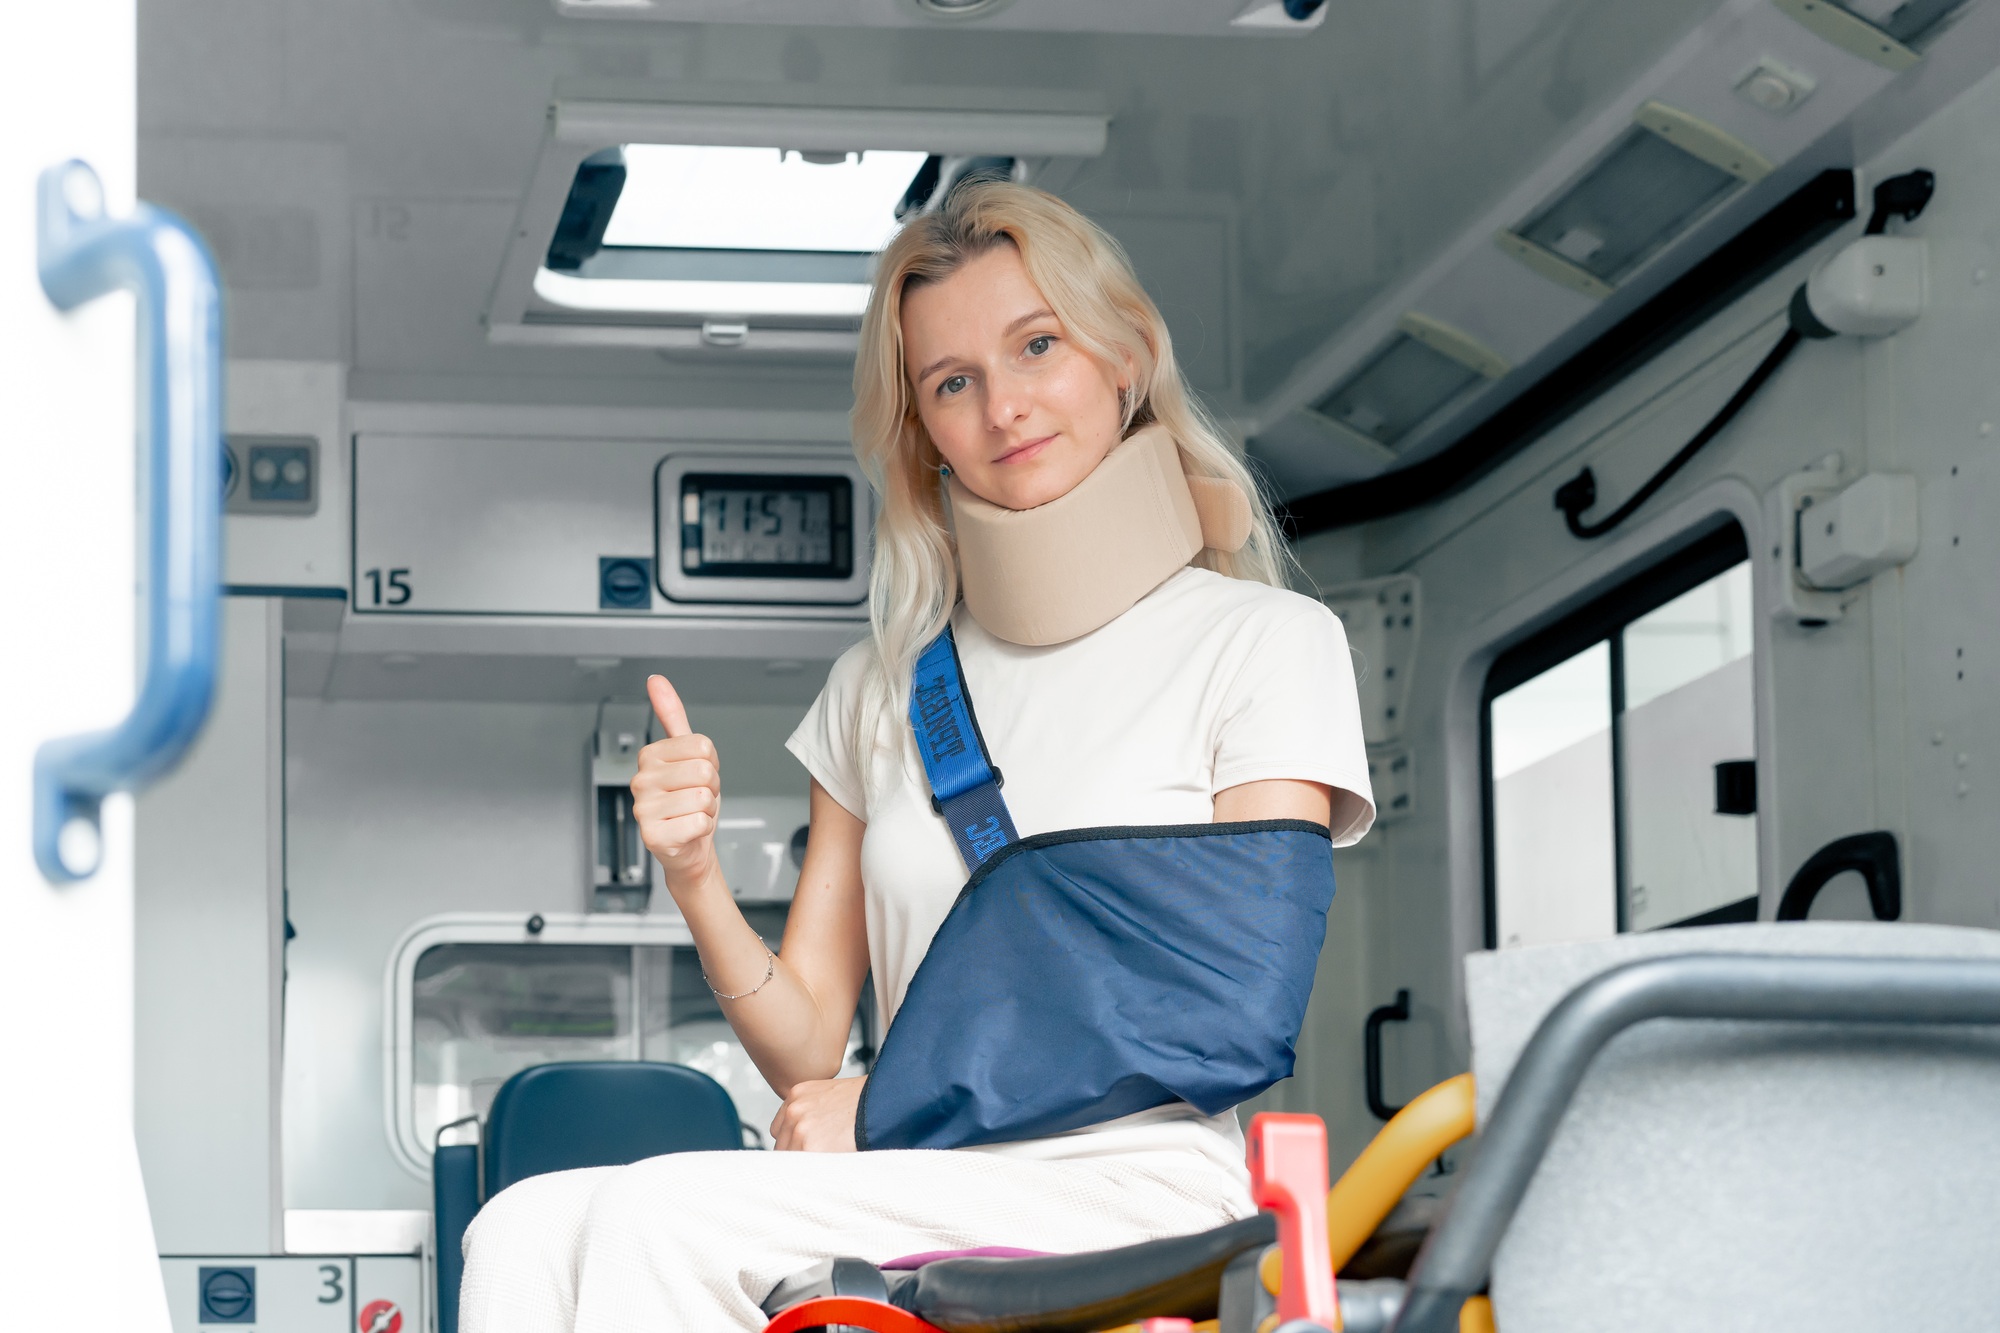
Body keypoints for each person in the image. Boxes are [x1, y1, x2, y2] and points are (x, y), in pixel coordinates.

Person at [457, 180, 1374, 1333]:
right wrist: (692, 872)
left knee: (656, 1215)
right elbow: (805, 1048)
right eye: (953, 382)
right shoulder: (882, 687)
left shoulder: (1264, 644)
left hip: (1136, 1192)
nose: (1004, 407)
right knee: (520, 1226)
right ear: (922, 430)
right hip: (917, 1173)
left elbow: (1228, 1010)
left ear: (1125, 358)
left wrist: (888, 1104)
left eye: (1036, 345)